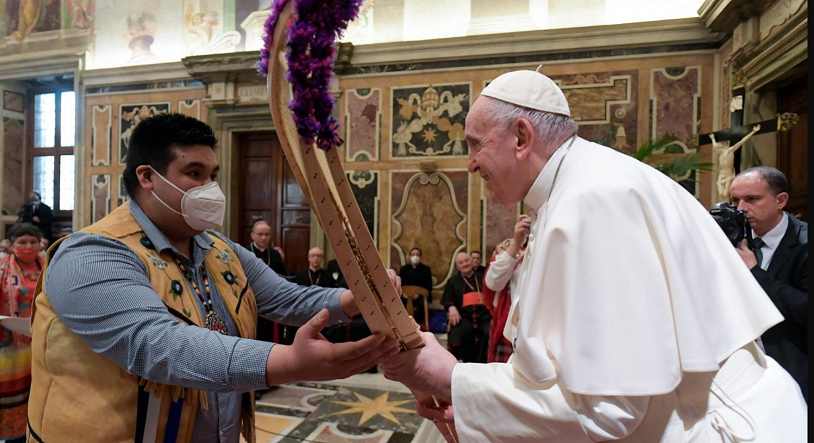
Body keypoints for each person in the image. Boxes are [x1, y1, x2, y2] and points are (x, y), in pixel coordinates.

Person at [381, 70, 806, 442]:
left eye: (476, 145)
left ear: (522, 137)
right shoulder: (577, 186)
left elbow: (605, 409)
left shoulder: (593, 199)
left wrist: (451, 378)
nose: (471, 165)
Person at [27, 113, 401, 443]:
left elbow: (288, 299)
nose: (211, 189)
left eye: (213, 176)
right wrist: (288, 363)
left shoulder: (219, 249)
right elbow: (158, 346)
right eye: (194, 174)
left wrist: (356, 299)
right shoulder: (91, 254)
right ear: (147, 177)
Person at [730, 166, 807, 399]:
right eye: (735, 200)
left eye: (752, 199)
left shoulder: (804, 242)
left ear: (780, 200)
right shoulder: (733, 239)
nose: (741, 209)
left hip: (794, 366)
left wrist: (754, 272)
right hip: (739, 368)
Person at [0, 224, 44, 443]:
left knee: (35, 389)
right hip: (8, 344)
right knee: (9, 392)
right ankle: (10, 435)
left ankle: (30, 432)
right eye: (22, 242)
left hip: (41, 341)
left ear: (41, 244)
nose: (28, 247)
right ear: (11, 245)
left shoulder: (48, 267)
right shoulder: (2, 268)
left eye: (33, 242)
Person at [482, 214, 531, 363]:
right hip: (511, 320)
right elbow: (493, 283)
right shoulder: (507, 246)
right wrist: (517, 242)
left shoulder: (550, 244)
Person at [441, 252, 490, 363]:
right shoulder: (453, 281)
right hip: (464, 316)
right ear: (458, 266)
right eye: (461, 263)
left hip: (484, 315)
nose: (464, 264)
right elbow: (448, 299)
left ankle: (485, 362)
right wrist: (452, 308)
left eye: (466, 261)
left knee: (489, 330)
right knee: (463, 332)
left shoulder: (483, 277)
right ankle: (468, 363)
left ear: (471, 262)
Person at [398, 247, 433, 328]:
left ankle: (418, 325)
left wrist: (419, 294)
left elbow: (429, 286)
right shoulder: (404, 269)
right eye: (413, 255)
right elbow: (399, 283)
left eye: (417, 255)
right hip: (405, 296)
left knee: (421, 303)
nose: (415, 256)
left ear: (420, 257)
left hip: (419, 297)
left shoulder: (426, 269)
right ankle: (402, 325)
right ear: (410, 257)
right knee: (399, 303)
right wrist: (403, 293)